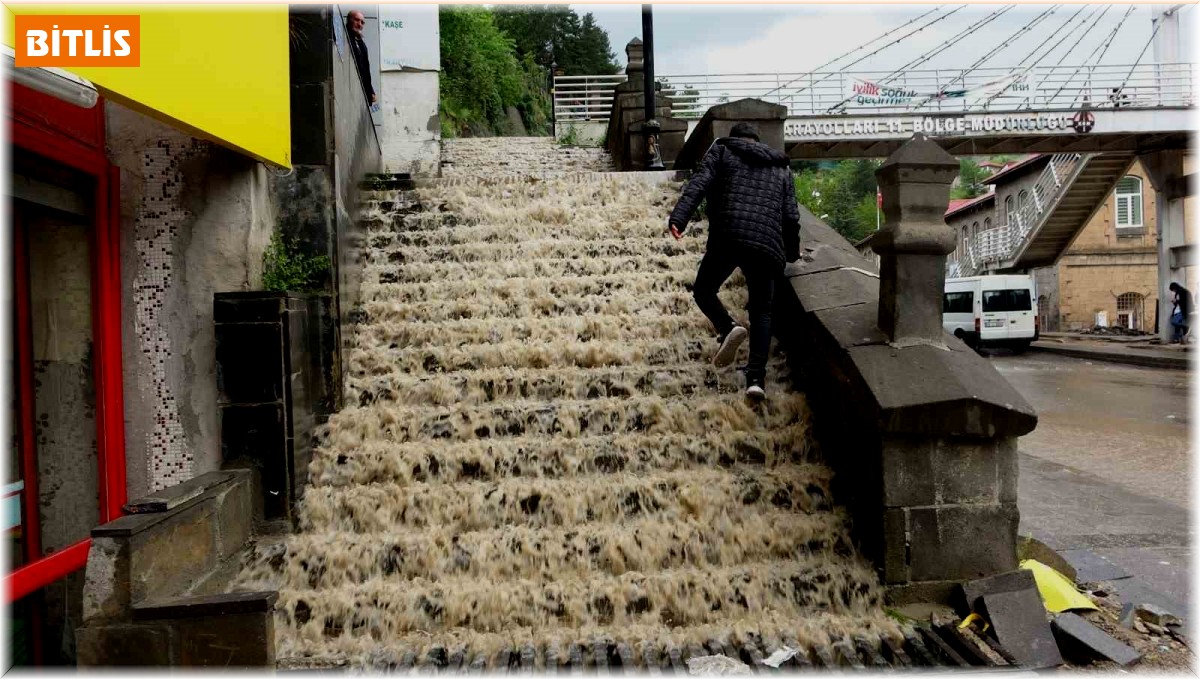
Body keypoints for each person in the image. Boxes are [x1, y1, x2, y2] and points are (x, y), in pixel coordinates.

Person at [667, 122, 801, 402]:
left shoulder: (722, 151)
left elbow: (699, 184)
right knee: (762, 311)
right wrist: (791, 253)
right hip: (766, 244)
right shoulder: (781, 168)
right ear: (757, 141)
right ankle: (756, 380)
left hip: (728, 236)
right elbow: (791, 216)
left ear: (735, 139)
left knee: (703, 291)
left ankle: (728, 326)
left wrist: (679, 218)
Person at [347, 10, 376, 107]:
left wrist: (370, 90)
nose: (360, 24)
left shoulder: (361, 44)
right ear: (349, 20)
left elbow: (364, 70)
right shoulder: (345, 37)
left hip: (359, 92)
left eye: (362, 22)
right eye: (356, 20)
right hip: (348, 88)